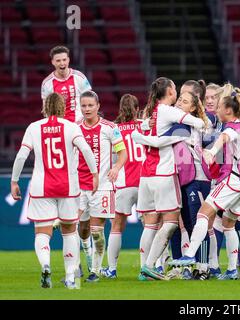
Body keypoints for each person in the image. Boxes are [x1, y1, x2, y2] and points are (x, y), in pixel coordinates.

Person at [10, 93, 98, 289]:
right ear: (63, 108)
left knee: (42, 232)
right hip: (68, 187)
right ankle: (69, 277)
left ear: (44, 107)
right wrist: (94, 173)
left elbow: (21, 155)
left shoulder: (34, 127)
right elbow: (86, 150)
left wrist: (14, 181)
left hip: (42, 187)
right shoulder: (71, 127)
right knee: (69, 231)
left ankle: (46, 265)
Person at [170, 88, 240, 281]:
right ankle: (233, 270)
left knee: (202, 214)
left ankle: (190, 254)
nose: (216, 110)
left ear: (228, 111)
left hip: (233, 179)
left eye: (219, 107)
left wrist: (211, 151)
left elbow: (225, 138)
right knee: (229, 224)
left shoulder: (231, 128)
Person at [130, 77, 206, 281]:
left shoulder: (152, 111)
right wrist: (191, 121)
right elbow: (197, 122)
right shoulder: (167, 111)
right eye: (176, 91)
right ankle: (148, 266)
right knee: (172, 223)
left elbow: (144, 127)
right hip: (163, 173)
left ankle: (143, 269)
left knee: (150, 224)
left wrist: (145, 131)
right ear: (171, 92)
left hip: (145, 174)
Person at [77, 90, 128, 282]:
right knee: (82, 229)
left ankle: (95, 271)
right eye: (84, 105)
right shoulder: (75, 128)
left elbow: (123, 153)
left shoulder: (110, 127)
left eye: (91, 105)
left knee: (97, 230)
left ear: (98, 106)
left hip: (104, 186)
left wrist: (116, 167)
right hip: (79, 187)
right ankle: (87, 253)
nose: (87, 109)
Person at [101, 94, 145, 278]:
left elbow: (111, 158)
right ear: (137, 109)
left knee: (117, 226)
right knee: (151, 225)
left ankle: (111, 269)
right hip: (145, 182)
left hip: (123, 183)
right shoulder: (145, 126)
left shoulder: (114, 129)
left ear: (120, 109)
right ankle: (149, 267)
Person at [41, 46, 92, 123]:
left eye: (64, 60)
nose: (62, 63)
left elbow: (90, 99)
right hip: (60, 126)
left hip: (79, 124)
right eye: (58, 60)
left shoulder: (79, 77)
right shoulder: (47, 83)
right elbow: (46, 109)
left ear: (68, 60)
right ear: (53, 62)